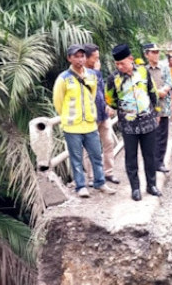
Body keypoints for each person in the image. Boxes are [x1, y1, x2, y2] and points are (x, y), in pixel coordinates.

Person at [52, 44, 116, 197]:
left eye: (82, 56)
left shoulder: (92, 75)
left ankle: (100, 183)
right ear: (69, 58)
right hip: (72, 126)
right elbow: (58, 102)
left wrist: (90, 113)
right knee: (76, 158)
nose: (80, 59)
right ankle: (81, 186)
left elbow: (92, 95)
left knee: (96, 155)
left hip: (90, 124)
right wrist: (68, 116)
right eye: (76, 56)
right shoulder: (64, 78)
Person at [105, 44, 162, 201]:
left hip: (148, 122)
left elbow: (153, 92)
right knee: (131, 158)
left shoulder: (143, 72)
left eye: (122, 63)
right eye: (117, 64)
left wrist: (156, 112)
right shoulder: (113, 79)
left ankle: (151, 185)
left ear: (131, 59)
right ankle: (135, 188)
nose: (119, 66)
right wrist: (120, 108)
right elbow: (111, 100)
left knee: (149, 156)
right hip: (128, 125)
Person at [83, 44, 120, 185]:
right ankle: (92, 177)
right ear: (87, 58)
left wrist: (108, 104)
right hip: (89, 116)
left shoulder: (96, 71)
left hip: (103, 113)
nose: (98, 60)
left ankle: (108, 173)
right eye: (95, 58)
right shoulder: (81, 72)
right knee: (90, 147)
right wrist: (96, 72)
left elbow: (101, 90)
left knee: (109, 143)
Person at [144, 43, 172, 173]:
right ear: (146, 54)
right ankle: (151, 162)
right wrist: (156, 92)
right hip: (149, 109)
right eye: (153, 52)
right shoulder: (144, 70)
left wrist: (163, 91)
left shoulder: (165, 67)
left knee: (162, 135)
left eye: (157, 52)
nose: (156, 54)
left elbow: (169, 83)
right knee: (151, 136)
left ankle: (160, 162)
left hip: (163, 107)